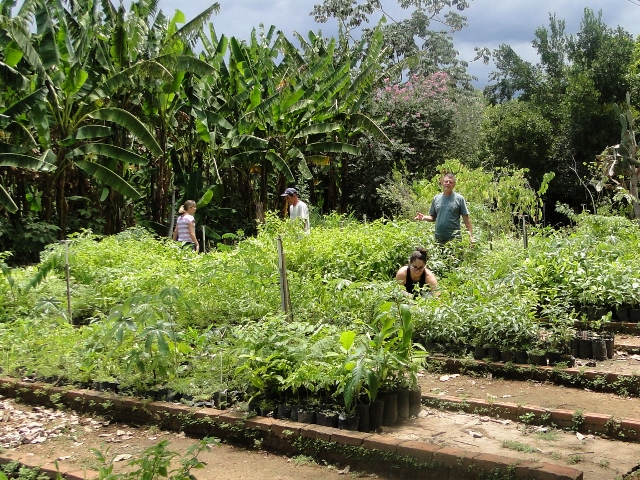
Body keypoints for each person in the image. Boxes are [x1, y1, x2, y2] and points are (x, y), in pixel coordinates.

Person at [415, 173, 474, 243]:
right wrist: (424, 217)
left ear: (454, 185)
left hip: (454, 239)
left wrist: (471, 236)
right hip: (439, 238)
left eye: (450, 182)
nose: (448, 183)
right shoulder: (436, 198)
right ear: (442, 183)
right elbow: (433, 217)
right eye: (446, 181)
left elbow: (466, 220)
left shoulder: (459, 199)